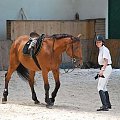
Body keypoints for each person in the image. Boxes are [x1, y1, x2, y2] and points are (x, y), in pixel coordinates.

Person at [95, 34, 112, 111]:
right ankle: (108, 104)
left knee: (100, 87)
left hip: (106, 68)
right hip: (106, 68)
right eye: (97, 42)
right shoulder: (101, 49)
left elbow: (106, 61)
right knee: (104, 87)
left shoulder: (104, 50)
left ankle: (104, 105)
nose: (98, 43)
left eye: (99, 42)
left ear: (102, 42)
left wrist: (102, 70)